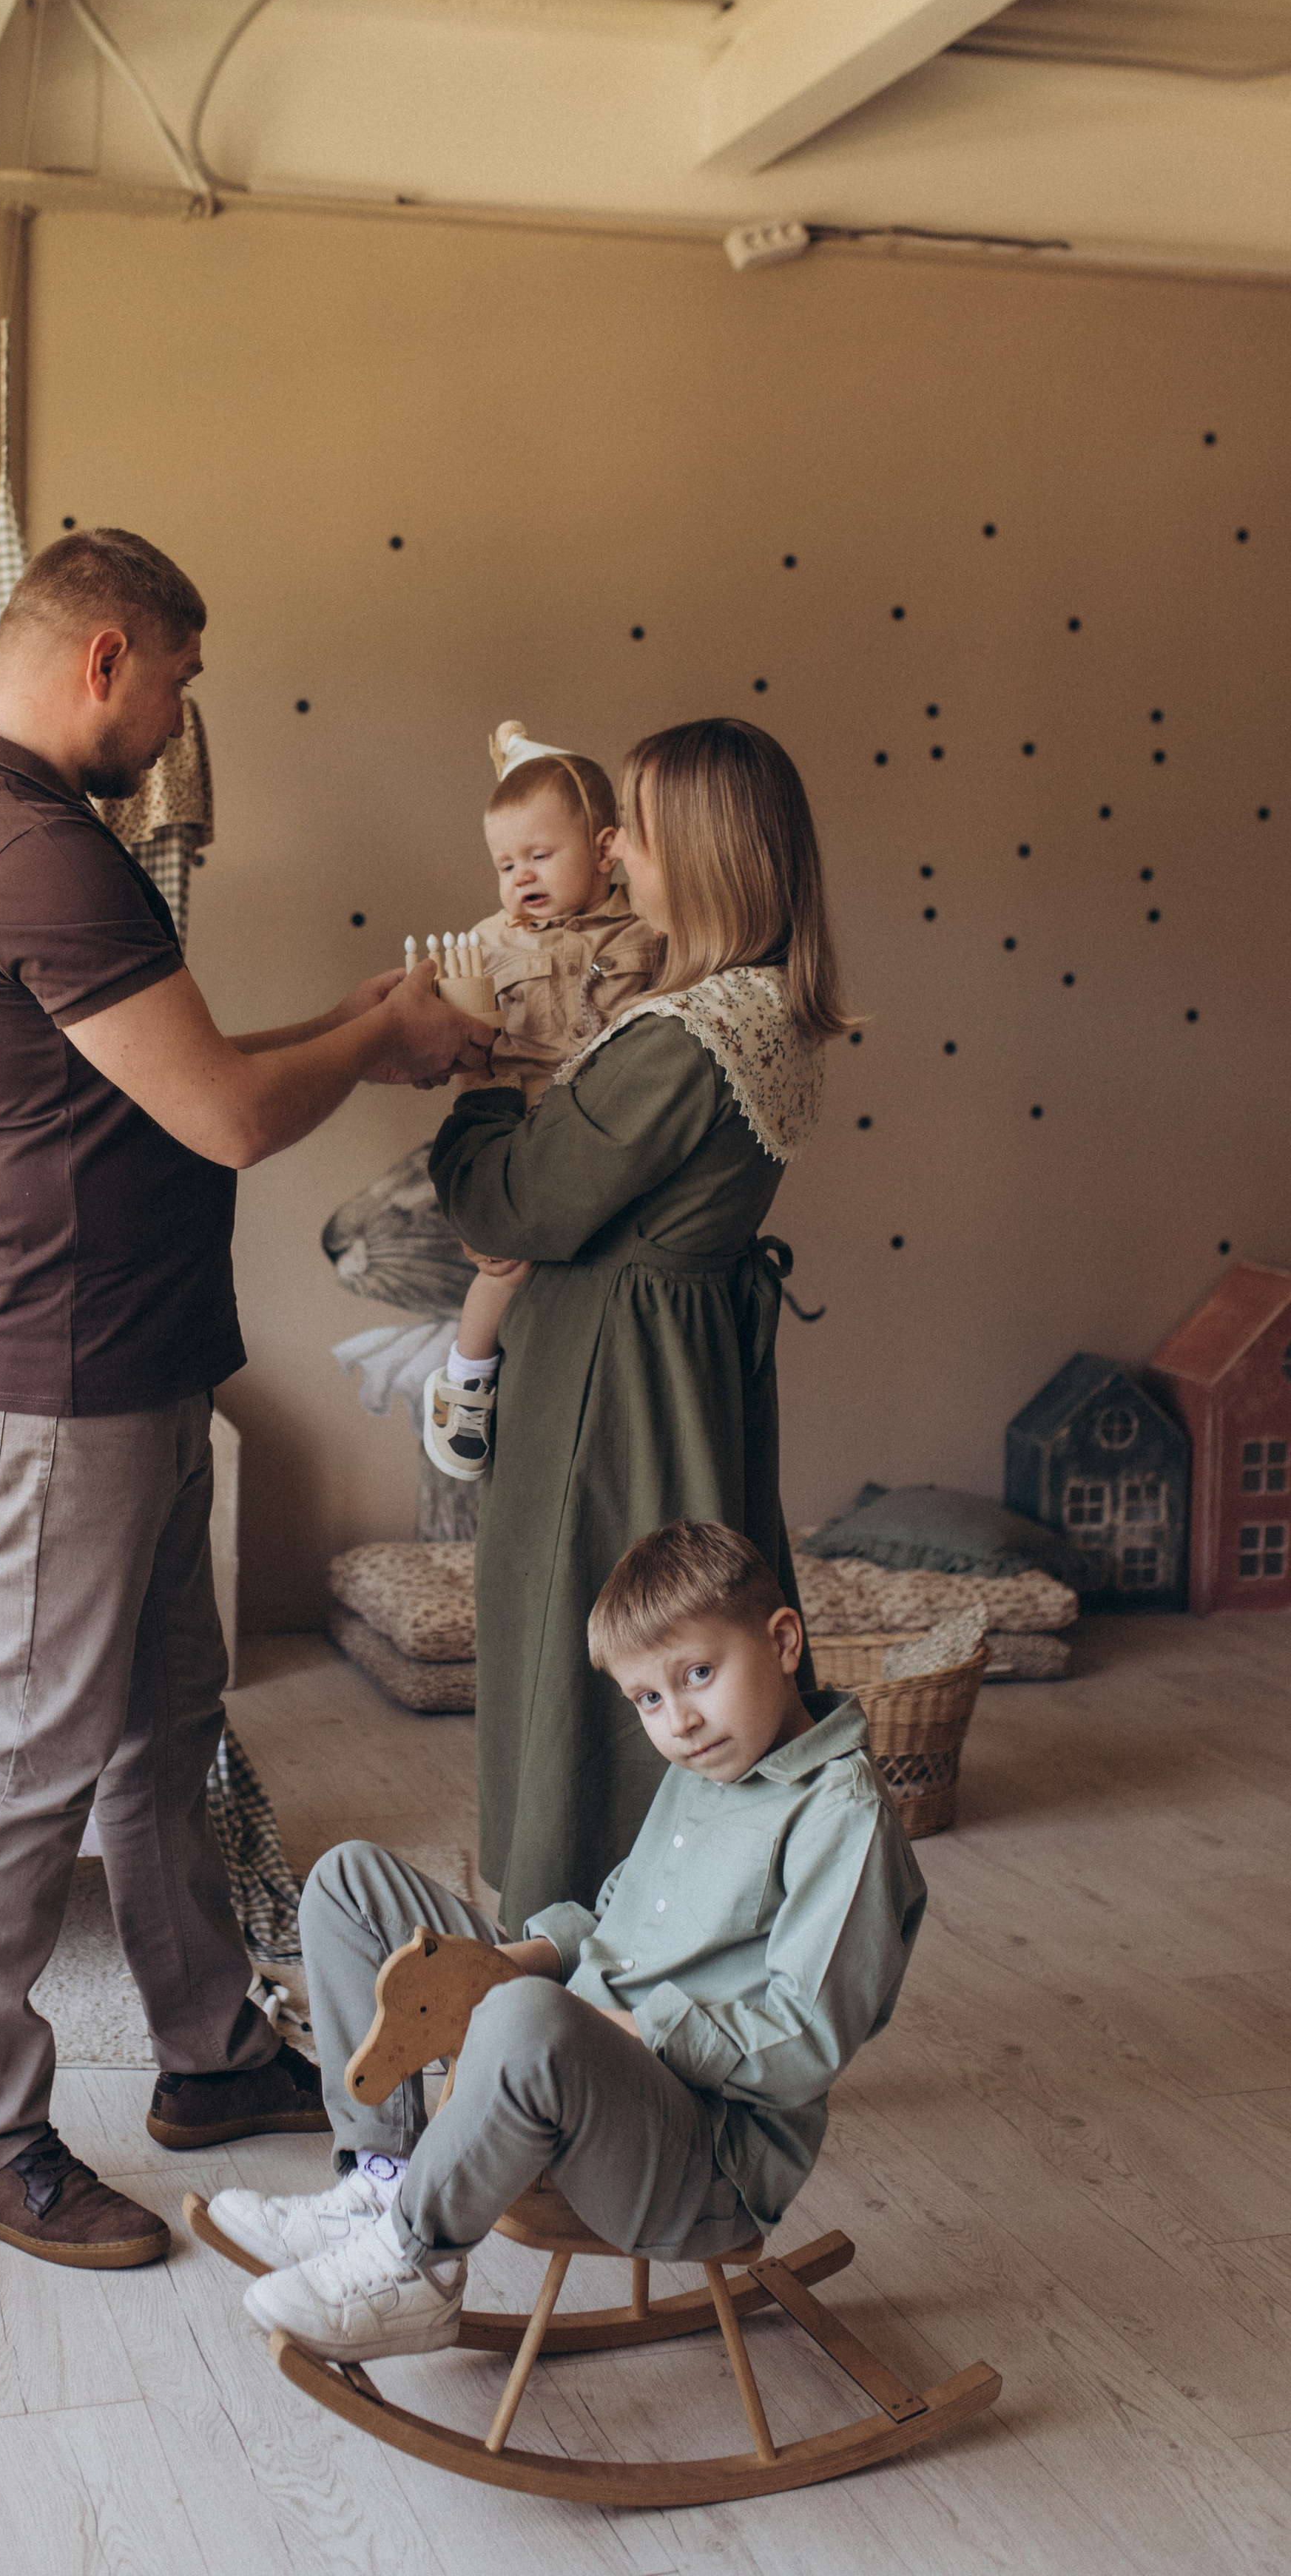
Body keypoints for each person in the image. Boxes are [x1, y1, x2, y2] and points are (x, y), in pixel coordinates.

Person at [0, 526, 485, 2274]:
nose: (178, 717)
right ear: (103, 657)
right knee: (28, 1752)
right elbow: (223, 1112)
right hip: (56, 1366)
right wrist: (370, 1043)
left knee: (162, 1724)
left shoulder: (23, 824)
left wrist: (350, 1013)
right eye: (178, 680)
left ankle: (210, 2054)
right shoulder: (20, 843)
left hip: (121, 1351)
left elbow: (168, 1077)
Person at [205, 1522, 926, 2363]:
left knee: (528, 2017)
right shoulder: (710, 1766)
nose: (681, 1721)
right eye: (648, 1700)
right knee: (347, 1881)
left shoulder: (844, 1820)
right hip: (573, 2047)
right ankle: (384, 2180)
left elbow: (803, 2045)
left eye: (699, 1674)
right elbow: (616, 1921)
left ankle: (417, 2268)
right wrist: (507, 1966)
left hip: (699, 2160)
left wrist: (595, 2024)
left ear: (783, 1641)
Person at [429, 716, 849, 1933]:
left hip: (612, 1384)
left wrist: (475, 1094)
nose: (614, 846)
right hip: (677, 1362)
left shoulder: (688, 1038)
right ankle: (674, 1923)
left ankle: (577, 1936)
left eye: (642, 829)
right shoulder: (762, 1004)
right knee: (682, 1638)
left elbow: (516, 1199)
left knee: (591, 1635)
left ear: (709, 857)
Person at [419, 721, 657, 1484]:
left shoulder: (646, 935)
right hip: (515, 1136)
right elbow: (446, 1026)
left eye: (540, 855)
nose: (520, 875)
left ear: (605, 848)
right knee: (504, 1265)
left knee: (606, 1267)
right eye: (505, 863)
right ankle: (465, 1377)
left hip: (602, 1136)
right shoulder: (490, 943)